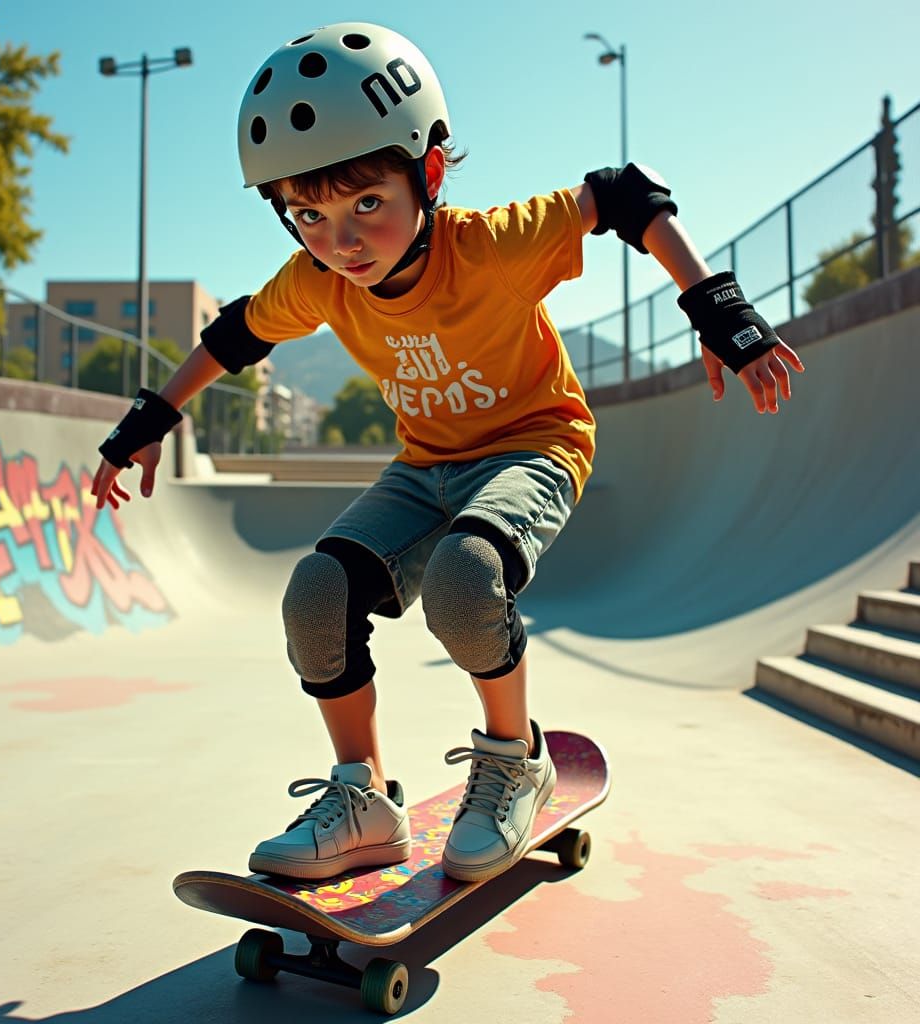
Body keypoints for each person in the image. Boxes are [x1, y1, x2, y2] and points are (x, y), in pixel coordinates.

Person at [91, 22, 804, 883]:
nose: (342, 242)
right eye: (308, 215)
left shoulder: (492, 248)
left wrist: (719, 311)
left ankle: (516, 761)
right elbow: (235, 333)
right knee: (316, 594)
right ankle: (365, 799)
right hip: (424, 467)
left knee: (468, 581)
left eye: (366, 205)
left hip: (534, 445)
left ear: (426, 173)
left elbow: (624, 194)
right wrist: (152, 417)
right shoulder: (317, 282)